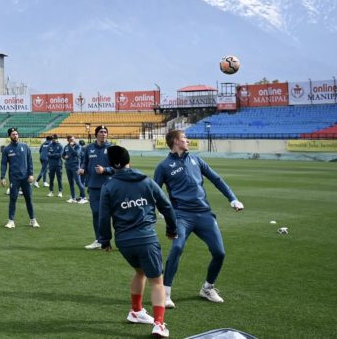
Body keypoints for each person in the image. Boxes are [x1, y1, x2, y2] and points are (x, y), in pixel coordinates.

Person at [154, 129, 244, 307]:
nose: (187, 140)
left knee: (220, 252)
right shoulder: (163, 166)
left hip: (204, 214)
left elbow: (216, 179)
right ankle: (166, 293)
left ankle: (208, 288)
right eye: (184, 138)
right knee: (177, 248)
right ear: (175, 142)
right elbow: (155, 191)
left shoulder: (196, 159)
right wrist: (162, 211)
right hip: (181, 216)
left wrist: (233, 198)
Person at [98, 145, 177, 338]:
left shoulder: (108, 186)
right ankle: (159, 324)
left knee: (139, 272)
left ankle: (136, 311)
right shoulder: (146, 181)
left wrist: (105, 240)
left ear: (110, 165)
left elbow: (103, 217)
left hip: (124, 242)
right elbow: (167, 206)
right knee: (157, 281)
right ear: (128, 160)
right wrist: (171, 229)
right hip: (146, 239)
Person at [79, 125, 113, 249]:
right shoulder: (89, 148)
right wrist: (82, 168)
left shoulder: (112, 148)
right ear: (96, 134)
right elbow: (85, 162)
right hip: (93, 186)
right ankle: (99, 240)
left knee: (110, 215)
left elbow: (118, 167)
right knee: (96, 213)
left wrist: (105, 169)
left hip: (109, 186)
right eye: (101, 132)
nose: (103, 134)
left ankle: (111, 241)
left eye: (105, 132)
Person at [0, 127, 39, 229]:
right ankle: (11, 221)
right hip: (14, 178)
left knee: (29, 199)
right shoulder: (7, 149)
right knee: (13, 199)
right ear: (9, 136)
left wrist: (31, 174)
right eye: (13, 134)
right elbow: (3, 164)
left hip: (26, 178)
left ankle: (33, 220)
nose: (15, 136)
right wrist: (2, 177)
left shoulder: (25, 146)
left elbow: (30, 161)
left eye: (16, 134)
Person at [63, 135, 86, 203]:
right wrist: (64, 157)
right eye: (71, 140)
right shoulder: (66, 146)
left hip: (75, 166)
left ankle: (84, 197)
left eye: (73, 139)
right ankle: (73, 198)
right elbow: (63, 155)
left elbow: (77, 153)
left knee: (78, 182)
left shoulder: (78, 146)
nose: (73, 141)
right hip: (68, 166)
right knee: (71, 182)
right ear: (68, 140)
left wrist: (71, 147)